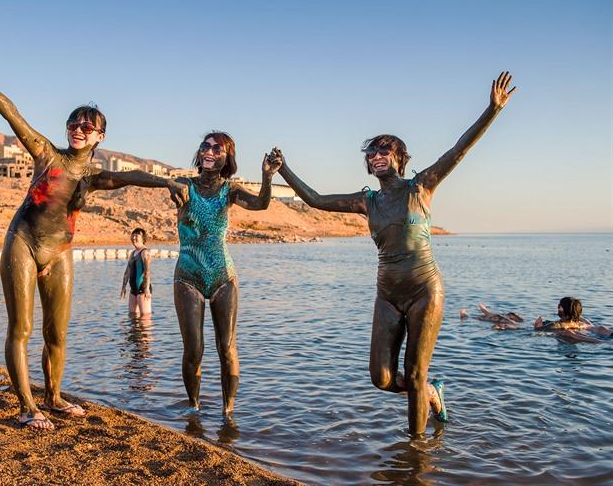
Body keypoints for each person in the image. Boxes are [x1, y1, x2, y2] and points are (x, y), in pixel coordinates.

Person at [0, 43, 188, 430]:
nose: (78, 130)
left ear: (99, 136)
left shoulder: (94, 178)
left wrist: (166, 180)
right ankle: (28, 407)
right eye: (73, 124)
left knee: (56, 333)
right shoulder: (47, 154)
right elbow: (10, 111)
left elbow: (131, 177)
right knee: (22, 329)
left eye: (87, 126)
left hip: (60, 251)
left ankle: (54, 396)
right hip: (24, 244)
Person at [271, 72, 516, 435]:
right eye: (372, 151)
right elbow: (316, 200)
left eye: (385, 150)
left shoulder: (422, 186)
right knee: (381, 377)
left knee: (415, 372)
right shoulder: (366, 201)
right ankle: (430, 394)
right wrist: (284, 169)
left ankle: (416, 456)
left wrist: (492, 110)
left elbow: (459, 149)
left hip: (423, 290)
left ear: (399, 157)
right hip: (387, 293)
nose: (377, 155)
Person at [168, 132, 281, 419]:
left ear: (227, 157)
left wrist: (267, 177)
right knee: (193, 349)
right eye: (205, 147)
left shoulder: (230, 191)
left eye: (217, 149)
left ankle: (228, 412)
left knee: (226, 348)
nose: (209, 152)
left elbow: (261, 205)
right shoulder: (185, 185)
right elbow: (173, 191)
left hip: (223, 275)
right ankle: (193, 406)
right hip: (187, 274)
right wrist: (173, 192)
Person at [534, 297, 612, 343]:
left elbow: (539, 331)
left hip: (600, 340)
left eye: (559, 306)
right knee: (601, 328)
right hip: (598, 331)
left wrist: (537, 327)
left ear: (561, 308)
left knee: (567, 334)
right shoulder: (584, 321)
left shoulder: (561, 325)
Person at [120, 228, 152, 317]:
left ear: (143, 238)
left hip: (143, 288)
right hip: (133, 290)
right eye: (132, 235)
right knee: (132, 316)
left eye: (137, 236)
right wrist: (123, 287)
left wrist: (147, 288)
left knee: (145, 318)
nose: (134, 237)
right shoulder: (133, 253)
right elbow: (127, 271)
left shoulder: (145, 252)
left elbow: (147, 272)